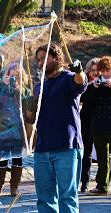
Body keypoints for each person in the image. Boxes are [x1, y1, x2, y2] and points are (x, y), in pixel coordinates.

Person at [32, 43, 87, 212]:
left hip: (67, 147)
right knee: (44, 199)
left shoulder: (68, 78)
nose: (41, 63)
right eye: (39, 60)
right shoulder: (39, 86)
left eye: (44, 58)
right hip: (42, 149)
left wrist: (79, 71)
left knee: (67, 198)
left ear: (56, 58)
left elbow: (80, 84)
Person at [0, 63, 30, 197]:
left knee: (17, 159)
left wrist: (18, 91)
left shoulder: (24, 90)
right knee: (2, 158)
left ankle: (14, 187)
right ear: (6, 76)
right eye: (11, 75)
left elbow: (26, 105)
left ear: (22, 77)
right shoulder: (2, 88)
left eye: (17, 75)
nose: (14, 78)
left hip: (18, 130)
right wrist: (4, 86)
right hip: (3, 129)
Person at [87, 56, 111, 195]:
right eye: (103, 71)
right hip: (99, 126)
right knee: (102, 158)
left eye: (108, 71)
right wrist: (94, 87)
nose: (105, 74)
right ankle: (101, 185)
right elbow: (87, 103)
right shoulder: (97, 84)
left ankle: (104, 183)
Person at [79, 57, 101, 192]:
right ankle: (84, 183)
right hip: (86, 120)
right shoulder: (85, 85)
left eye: (97, 70)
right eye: (92, 70)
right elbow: (80, 99)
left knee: (102, 153)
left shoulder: (106, 83)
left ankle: (102, 182)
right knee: (86, 153)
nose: (95, 73)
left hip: (101, 122)